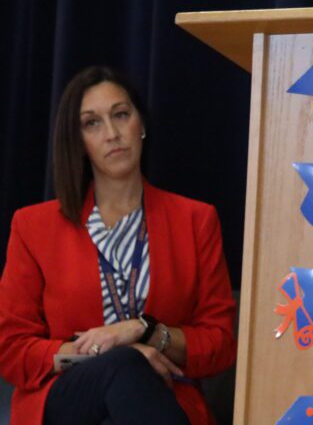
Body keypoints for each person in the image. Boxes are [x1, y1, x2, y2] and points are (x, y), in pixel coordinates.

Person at [0, 66, 237, 424]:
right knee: (123, 366)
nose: (112, 134)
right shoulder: (33, 226)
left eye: (121, 115)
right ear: (78, 142)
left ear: (140, 124)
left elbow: (220, 344)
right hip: (67, 398)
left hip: (162, 398)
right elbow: (12, 349)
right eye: (92, 123)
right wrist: (116, 355)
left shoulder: (196, 220)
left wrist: (146, 331)